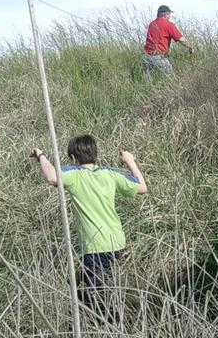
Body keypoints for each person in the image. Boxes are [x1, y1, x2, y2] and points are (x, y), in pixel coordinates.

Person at [31, 134, 147, 324]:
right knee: (88, 285)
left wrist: (40, 154)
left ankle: (113, 327)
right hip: (117, 242)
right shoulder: (109, 173)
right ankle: (88, 314)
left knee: (102, 302)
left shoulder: (75, 174)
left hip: (96, 248)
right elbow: (142, 187)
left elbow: (51, 177)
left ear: (73, 159)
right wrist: (130, 161)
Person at [142, 4, 193, 79]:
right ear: (165, 14)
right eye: (169, 14)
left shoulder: (152, 24)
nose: (170, 16)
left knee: (148, 83)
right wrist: (191, 46)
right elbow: (181, 39)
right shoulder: (168, 25)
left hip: (146, 57)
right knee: (170, 80)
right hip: (158, 58)